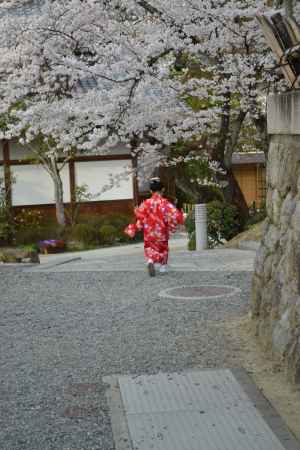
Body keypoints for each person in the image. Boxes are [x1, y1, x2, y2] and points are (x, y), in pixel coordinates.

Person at [125, 178, 184, 277]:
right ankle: (162, 267)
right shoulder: (165, 203)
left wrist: (136, 220)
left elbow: (140, 215)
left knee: (150, 248)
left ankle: (150, 260)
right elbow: (175, 215)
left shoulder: (146, 203)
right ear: (163, 189)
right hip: (161, 232)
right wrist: (181, 218)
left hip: (149, 232)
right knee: (163, 249)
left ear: (150, 191)